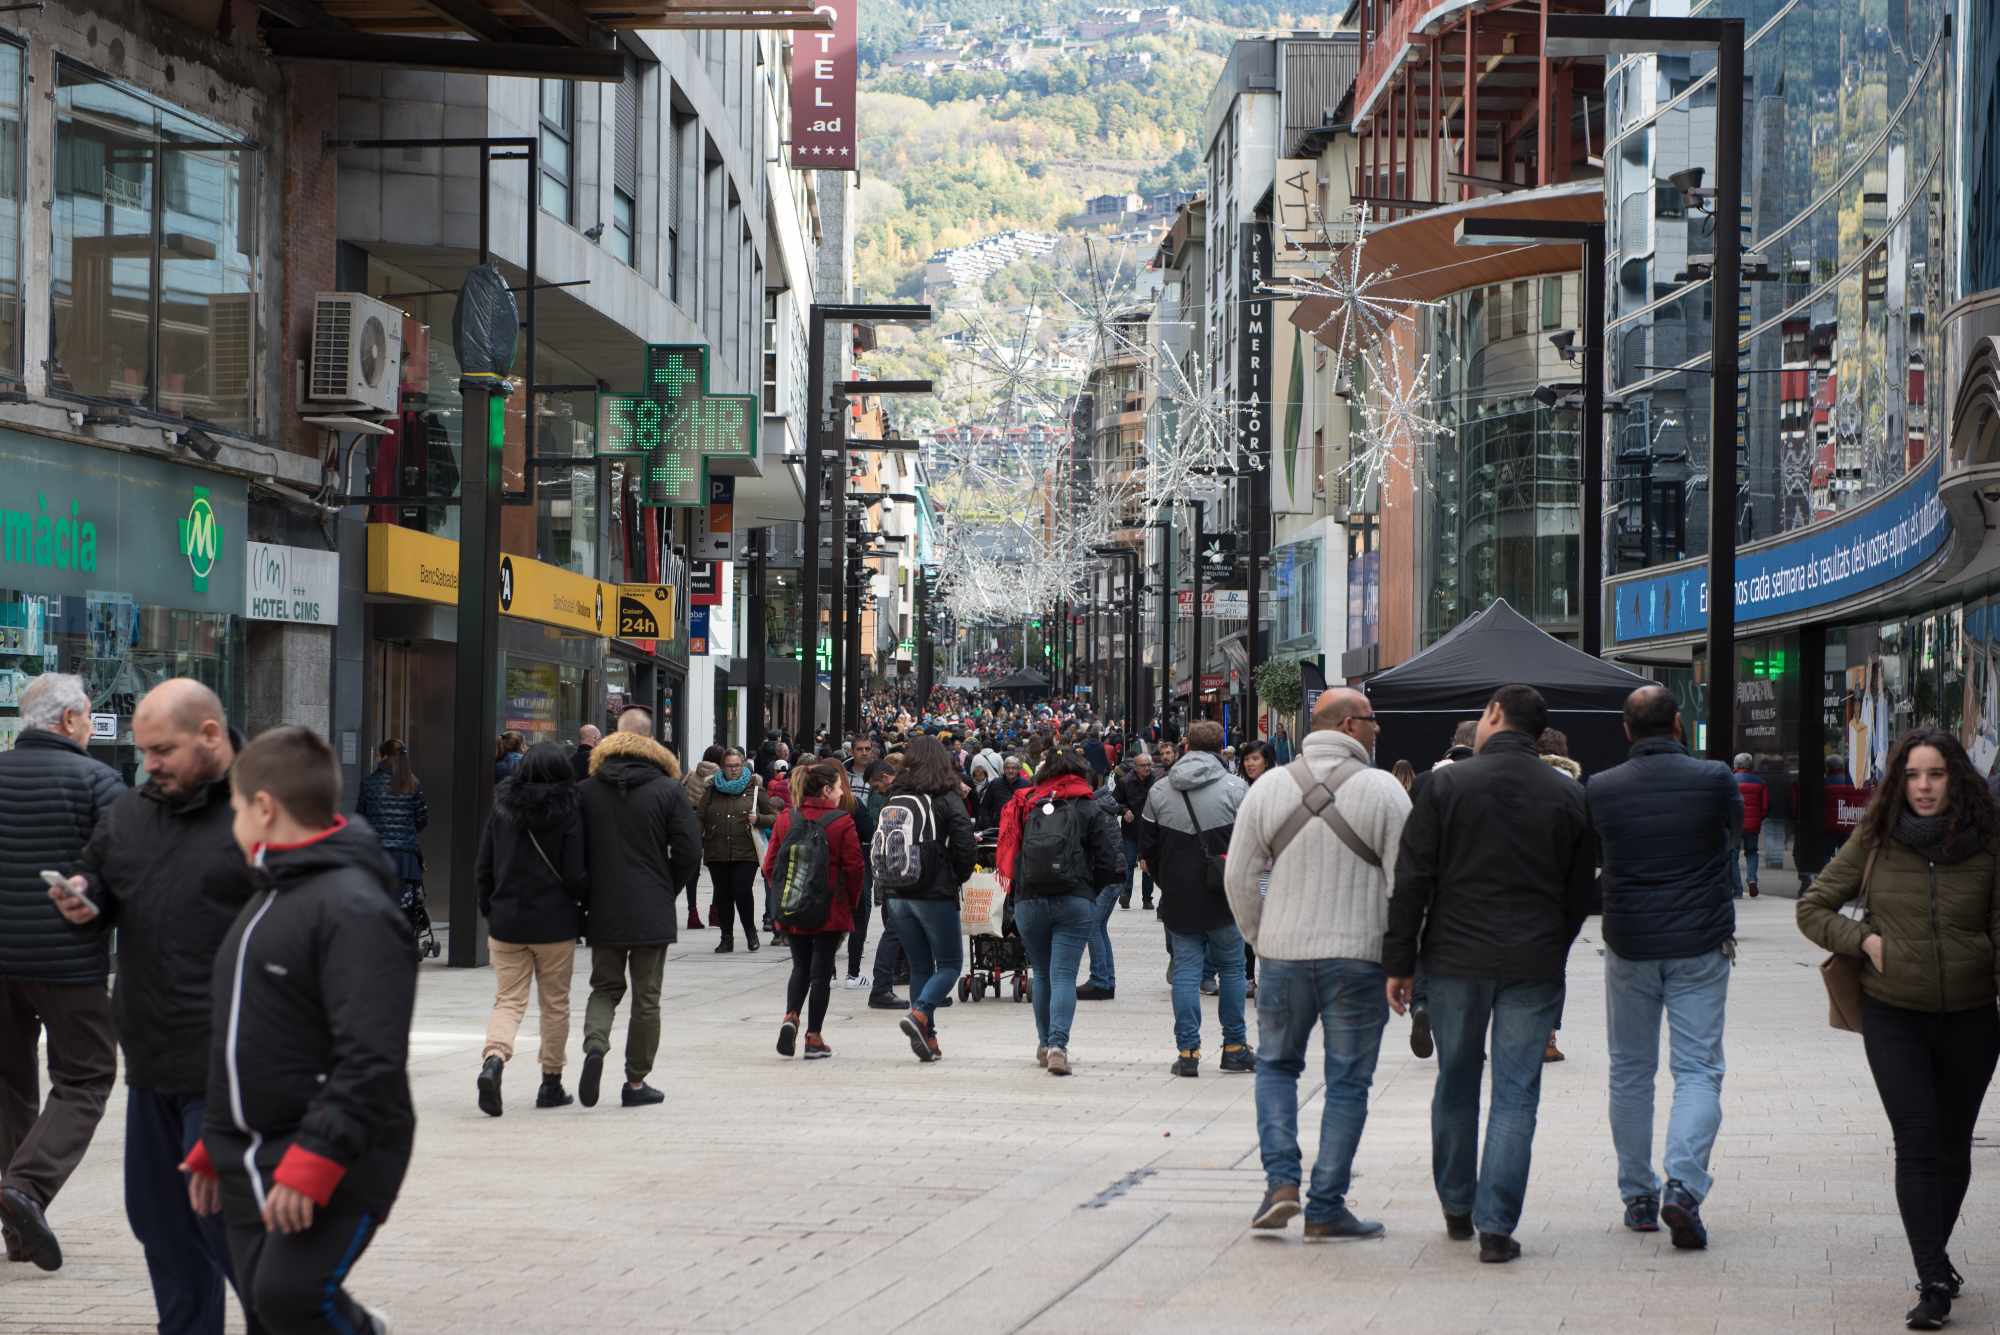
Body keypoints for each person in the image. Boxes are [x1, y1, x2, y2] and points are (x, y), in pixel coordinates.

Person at [175, 726, 413, 1335]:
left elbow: (371, 1056)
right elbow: (245, 1036)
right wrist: (215, 1140)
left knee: (290, 1297)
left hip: (338, 1149)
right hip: (254, 1149)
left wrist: (317, 1159)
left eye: (233, 808)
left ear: (263, 807)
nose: (231, 823)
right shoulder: (268, 898)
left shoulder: (352, 908)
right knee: (264, 1305)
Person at [53, 680, 259, 1332]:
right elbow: (99, 876)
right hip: (150, 1060)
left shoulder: (261, 810)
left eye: (163, 749)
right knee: (163, 1228)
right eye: (144, 751)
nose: (150, 763)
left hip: (230, 1067)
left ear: (210, 735)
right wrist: (83, 898)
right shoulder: (130, 813)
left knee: (231, 1227)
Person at [1797, 729, 2000, 1331]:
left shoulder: (1988, 842)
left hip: (1970, 1014)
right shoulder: (1876, 839)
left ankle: (1935, 1253)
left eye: (1935, 774)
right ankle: (1933, 1276)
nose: (1924, 787)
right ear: (1898, 781)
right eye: (1913, 775)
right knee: (1915, 1139)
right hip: (1894, 1012)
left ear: (1955, 778)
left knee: (1952, 1145)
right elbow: (1813, 907)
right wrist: (1865, 941)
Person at [1384, 685, 1595, 1264]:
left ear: (1495, 716)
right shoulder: (1568, 795)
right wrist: (1556, 943)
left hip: (1455, 958)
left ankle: (1457, 1205)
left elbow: (1413, 882)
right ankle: (1497, 1225)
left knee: (1455, 1079)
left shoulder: (1442, 786)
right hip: (1533, 959)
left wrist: (1401, 962)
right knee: (1516, 1093)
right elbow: (1582, 893)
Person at [1230, 689, 1409, 1239]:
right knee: (1348, 1081)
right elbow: (1407, 882)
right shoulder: (1385, 791)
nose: (1379, 730)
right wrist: (1403, 959)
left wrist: (1263, 938)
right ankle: (1327, 1206)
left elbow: (1239, 876)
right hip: (1358, 957)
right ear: (1352, 725)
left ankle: (1281, 1181)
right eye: (1374, 720)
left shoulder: (1269, 787)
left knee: (1277, 1068)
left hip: (1283, 956)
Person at [1586, 686, 1739, 1251]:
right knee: (1698, 1068)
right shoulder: (1715, 778)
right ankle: (1683, 1184)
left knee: (1630, 1069)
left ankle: (1638, 1196)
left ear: (1627, 730)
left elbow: (1595, 856)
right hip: (1699, 940)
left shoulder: (1600, 788)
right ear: (1679, 723)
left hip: (1629, 942)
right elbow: (1730, 838)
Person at [0, 674, 125, 1271]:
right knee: (87, 1075)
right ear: (72, 719)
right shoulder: (98, 780)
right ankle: (28, 1187)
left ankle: (19, 1225)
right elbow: (122, 868)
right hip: (67, 961)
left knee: (8, 1086)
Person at [576, 726, 702, 1109]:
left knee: (605, 988)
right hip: (651, 905)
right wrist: (669, 887)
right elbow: (689, 849)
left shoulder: (586, 792)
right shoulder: (668, 791)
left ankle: (595, 1046)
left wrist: (586, 896)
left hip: (604, 905)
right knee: (647, 998)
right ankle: (635, 1081)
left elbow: (574, 851)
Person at [475, 741, 589, 1117]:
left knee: (508, 999)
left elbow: (484, 866)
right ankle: (550, 1083)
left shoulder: (502, 808)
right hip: (555, 923)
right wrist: (582, 904)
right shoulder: (570, 812)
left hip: (507, 920)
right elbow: (575, 874)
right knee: (554, 1004)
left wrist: (489, 908)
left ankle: (494, 1058)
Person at [995, 752, 1123, 1074]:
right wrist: (1089, 892)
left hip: (1030, 900)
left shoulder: (1027, 804)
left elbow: (1010, 851)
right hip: (1074, 900)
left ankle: (1042, 1043)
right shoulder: (1090, 806)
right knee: (1063, 974)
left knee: (1041, 973)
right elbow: (1110, 861)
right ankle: (1058, 1046)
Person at [1139, 720, 1253, 1077]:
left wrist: (1166, 881)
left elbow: (1146, 851)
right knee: (1233, 969)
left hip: (1179, 894)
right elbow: (1252, 845)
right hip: (1223, 895)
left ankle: (1188, 1051)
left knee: (1187, 971)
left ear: (1186, 746)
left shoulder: (1159, 790)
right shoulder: (1236, 789)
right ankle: (1235, 1046)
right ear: (1220, 745)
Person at [881, 737, 976, 1063]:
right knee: (950, 965)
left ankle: (928, 1038)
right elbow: (964, 841)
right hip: (934, 892)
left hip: (897, 892)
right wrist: (957, 876)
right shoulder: (946, 797)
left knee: (920, 966)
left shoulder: (896, 794)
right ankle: (921, 1014)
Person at [762, 762, 864, 1060]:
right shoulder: (841, 821)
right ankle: (813, 1036)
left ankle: (791, 1015)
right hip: (829, 909)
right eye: (838, 786)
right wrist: (851, 902)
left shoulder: (786, 818)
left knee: (800, 967)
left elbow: (770, 866)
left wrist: (784, 895)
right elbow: (855, 868)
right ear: (826, 789)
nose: (842, 791)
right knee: (821, 973)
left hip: (794, 907)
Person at [700, 747, 777, 953]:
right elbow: (700, 818)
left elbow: (776, 816)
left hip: (746, 851)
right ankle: (726, 937)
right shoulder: (712, 790)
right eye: (729, 766)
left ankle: (750, 932)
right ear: (722, 767)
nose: (733, 770)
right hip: (717, 850)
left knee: (742, 891)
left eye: (736, 765)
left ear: (743, 765)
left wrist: (759, 819)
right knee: (722, 895)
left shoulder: (755, 789)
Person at [356, 738, 428, 922]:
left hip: (376, 856)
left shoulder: (369, 783)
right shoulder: (413, 783)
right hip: (406, 859)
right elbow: (422, 819)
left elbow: (360, 818)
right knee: (404, 911)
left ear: (383, 756)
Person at [862, 762, 909, 1009]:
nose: (876, 790)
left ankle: (926, 988)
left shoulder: (899, 797)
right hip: (900, 875)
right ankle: (881, 988)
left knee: (907, 931)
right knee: (895, 931)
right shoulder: (898, 798)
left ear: (886, 777)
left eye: (877, 784)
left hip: (898, 873)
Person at [1113, 751, 1158, 910]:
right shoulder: (1125, 782)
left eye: (1148, 765)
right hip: (1131, 830)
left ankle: (1147, 898)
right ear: (1135, 767)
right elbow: (1114, 802)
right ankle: (1125, 895)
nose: (1147, 768)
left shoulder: (1156, 781)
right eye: (1143, 765)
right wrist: (1124, 810)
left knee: (1148, 864)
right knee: (1129, 862)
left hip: (1150, 830)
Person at [1732, 753, 1767, 898]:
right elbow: (1764, 807)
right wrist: (1758, 818)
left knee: (1732, 855)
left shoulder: (1730, 780)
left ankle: (1737, 890)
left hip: (1734, 824)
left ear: (1736, 765)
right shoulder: (1760, 782)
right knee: (1752, 852)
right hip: (1753, 825)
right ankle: (1752, 879)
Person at [974, 754, 1030, 832]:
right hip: (997, 827)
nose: (1010, 771)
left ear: (1018, 769)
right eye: (1007, 768)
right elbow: (985, 806)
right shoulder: (995, 783)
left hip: (1018, 828)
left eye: (1013, 768)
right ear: (1004, 769)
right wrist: (988, 826)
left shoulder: (1026, 785)